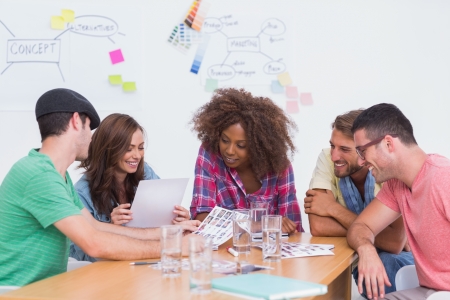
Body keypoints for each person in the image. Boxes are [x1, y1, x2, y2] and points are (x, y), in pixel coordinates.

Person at [0, 88, 199, 286]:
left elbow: (96, 226)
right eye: (89, 128)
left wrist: (169, 233)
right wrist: (173, 246)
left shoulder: (57, 174)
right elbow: (94, 243)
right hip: (17, 291)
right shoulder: (39, 175)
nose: (92, 137)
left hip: (46, 286)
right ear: (76, 121)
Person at [304, 110, 414, 298]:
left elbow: (395, 243)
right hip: (359, 259)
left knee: (389, 262)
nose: (334, 156)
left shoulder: (386, 167)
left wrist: (332, 208)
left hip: (402, 259)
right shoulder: (327, 158)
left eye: (344, 149)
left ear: (365, 150)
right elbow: (318, 226)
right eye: (332, 146)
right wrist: (376, 234)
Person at [347, 103, 450, 300]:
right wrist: (366, 249)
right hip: (427, 292)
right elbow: (360, 226)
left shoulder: (443, 178)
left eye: (362, 151)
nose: (360, 161)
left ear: (388, 144)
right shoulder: (396, 186)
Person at [69, 113, 190, 261]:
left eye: (140, 148)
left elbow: (159, 224)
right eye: (128, 149)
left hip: (147, 259)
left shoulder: (145, 172)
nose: (137, 156)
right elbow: (83, 256)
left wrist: (176, 217)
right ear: (109, 150)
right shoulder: (82, 193)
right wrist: (111, 227)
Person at [189, 88, 303, 234]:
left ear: (258, 146)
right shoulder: (210, 154)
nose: (229, 150)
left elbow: (292, 227)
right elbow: (202, 218)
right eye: (224, 140)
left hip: (268, 253)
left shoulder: (279, 167)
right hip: (225, 252)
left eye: (241, 145)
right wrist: (261, 225)